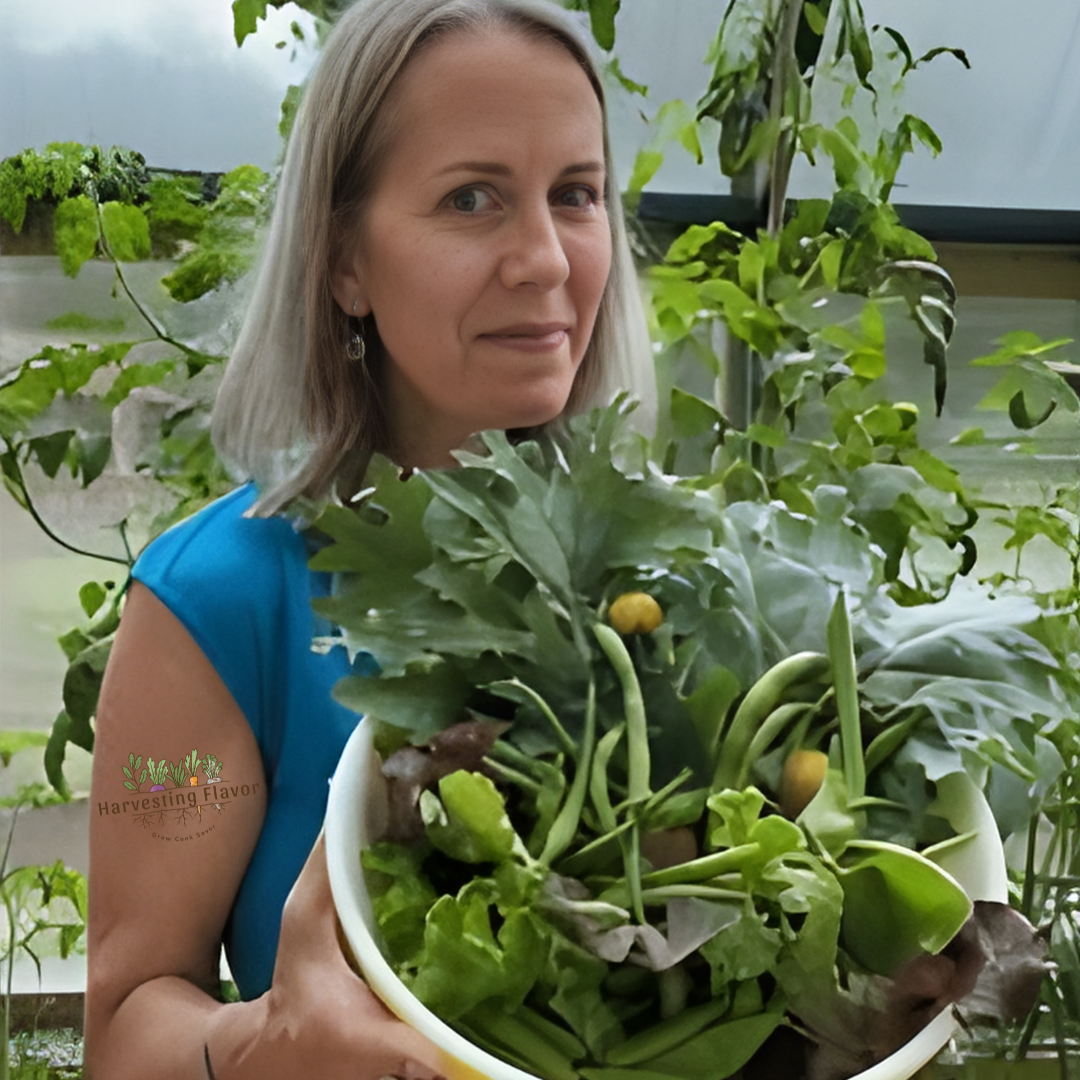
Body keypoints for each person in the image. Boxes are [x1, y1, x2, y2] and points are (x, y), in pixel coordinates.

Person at [83, 0, 655, 1076]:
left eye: (575, 194)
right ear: (345, 261)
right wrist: (257, 1045)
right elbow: (122, 1031)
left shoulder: (666, 579)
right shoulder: (221, 600)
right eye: (471, 198)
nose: (544, 259)